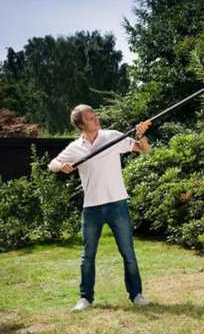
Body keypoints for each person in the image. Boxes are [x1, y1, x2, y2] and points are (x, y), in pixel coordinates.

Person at [48, 104, 152, 311]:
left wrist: (140, 136)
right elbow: (52, 163)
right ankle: (85, 298)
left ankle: (136, 294)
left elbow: (144, 150)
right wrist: (62, 166)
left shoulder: (112, 136)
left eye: (94, 115)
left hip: (117, 203)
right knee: (88, 256)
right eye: (89, 118)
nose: (95, 119)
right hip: (92, 208)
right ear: (80, 124)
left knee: (128, 252)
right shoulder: (75, 148)